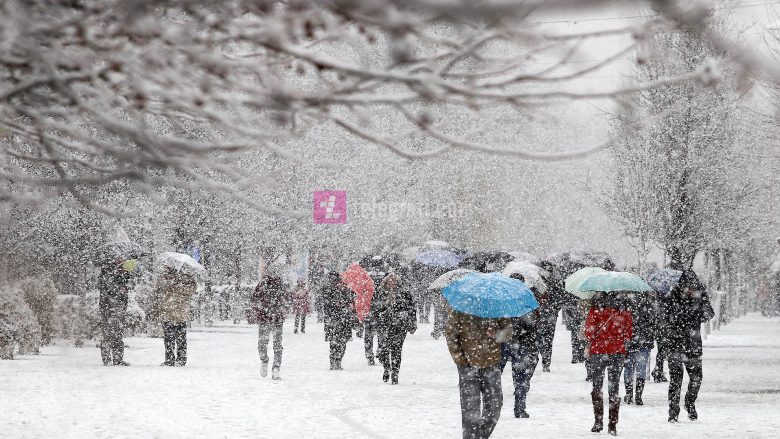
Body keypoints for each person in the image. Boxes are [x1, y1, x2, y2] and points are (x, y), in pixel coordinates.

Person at [446, 309, 512, 439]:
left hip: (492, 364)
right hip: (468, 366)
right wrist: (460, 360)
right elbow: (451, 334)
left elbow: (508, 332)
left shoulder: (497, 308)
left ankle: (481, 436)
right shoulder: (461, 308)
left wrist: (497, 334)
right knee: (470, 411)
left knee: (494, 408)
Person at [659, 270, 714, 423]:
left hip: (693, 345)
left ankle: (689, 403)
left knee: (696, 379)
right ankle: (673, 411)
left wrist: (702, 300)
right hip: (675, 345)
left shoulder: (700, 297)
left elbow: (709, 315)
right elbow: (664, 317)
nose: (690, 289)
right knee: (675, 380)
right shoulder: (672, 297)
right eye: (688, 287)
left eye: (693, 287)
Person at [584, 293, 632, 436]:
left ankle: (598, 421)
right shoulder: (623, 309)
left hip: (598, 351)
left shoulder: (596, 308)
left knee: (597, 386)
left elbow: (589, 332)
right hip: (617, 351)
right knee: (614, 387)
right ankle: (612, 424)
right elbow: (628, 332)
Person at [498, 274, 540, 418]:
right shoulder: (527, 298)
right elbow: (532, 323)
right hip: (522, 342)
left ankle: (493, 405)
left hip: (503, 339)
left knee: (495, 375)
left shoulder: (500, 298)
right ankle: (520, 408)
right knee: (520, 377)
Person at [373, 273, 417, 384]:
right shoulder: (380, 293)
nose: (391, 284)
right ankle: (387, 368)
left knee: (396, 350)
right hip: (384, 325)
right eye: (389, 281)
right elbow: (374, 309)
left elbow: (411, 308)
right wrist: (376, 321)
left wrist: (412, 323)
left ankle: (395, 372)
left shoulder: (405, 293)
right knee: (383, 350)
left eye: (394, 281)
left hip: (400, 325)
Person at [151, 266, 197, 367]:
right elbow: (157, 294)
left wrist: (177, 286)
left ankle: (180, 359)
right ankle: (170, 359)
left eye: (168, 270)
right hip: (167, 313)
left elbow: (191, 290)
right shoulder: (162, 280)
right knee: (169, 338)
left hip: (179, 314)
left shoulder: (185, 279)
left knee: (180, 339)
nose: (166, 272)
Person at [250, 272, 291, 380]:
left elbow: (288, 300)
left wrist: (283, 311)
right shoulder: (262, 285)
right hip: (264, 318)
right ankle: (264, 360)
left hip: (277, 319)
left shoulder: (281, 286)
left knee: (277, 345)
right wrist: (259, 310)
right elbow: (254, 299)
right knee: (262, 344)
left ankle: (276, 368)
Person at [97, 258, 135, 366]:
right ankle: (108, 359)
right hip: (109, 306)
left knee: (117, 332)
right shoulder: (107, 273)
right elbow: (108, 288)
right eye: (119, 259)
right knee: (109, 333)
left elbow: (130, 285)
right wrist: (120, 282)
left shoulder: (121, 273)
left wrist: (126, 276)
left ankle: (116, 358)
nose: (121, 260)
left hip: (116, 306)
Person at [623, 293, 657, 405]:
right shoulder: (649, 305)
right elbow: (654, 324)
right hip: (644, 342)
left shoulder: (626, 304)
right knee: (640, 369)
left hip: (630, 341)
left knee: (628, 368)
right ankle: (638, 395)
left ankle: (629, 394)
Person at [322, 272, 355, 370]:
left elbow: (351, 301)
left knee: (342, 342)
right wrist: (335, 303)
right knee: (334, 342)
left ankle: (338, 360)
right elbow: (325, 304)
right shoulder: (327, 289)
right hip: (333, 319)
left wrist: (347, 302)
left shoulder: (346, 289)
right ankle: (333, 362)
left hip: (344, 319)